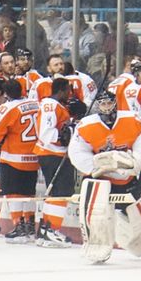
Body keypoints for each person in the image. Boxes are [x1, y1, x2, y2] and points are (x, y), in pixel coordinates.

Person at [68, 86, 141, 263]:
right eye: (103, 103)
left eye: (110, 102)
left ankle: (135, 239)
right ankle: (97, 244)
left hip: (128, 176)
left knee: (140, 215)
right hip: (100, 177)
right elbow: (76, 152)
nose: (107, 107)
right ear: (97, 106)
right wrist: (96, 166)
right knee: (96, 212)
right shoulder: (86, 125)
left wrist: (132, 164)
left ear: (116, 103)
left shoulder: (133, 119)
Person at [0, 79, 42, 242]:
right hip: (34, 157)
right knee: (29, 193)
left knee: (13, 193)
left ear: (6, 93)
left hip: (13, 158)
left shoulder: (7, 108)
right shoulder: (35, 104)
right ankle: (30, 227)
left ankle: (18, 227)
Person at [34, 76, 84, 248]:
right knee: (61, 192)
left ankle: (45, 230)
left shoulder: (58, 106)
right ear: (62, 90)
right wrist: (63, 137)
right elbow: (45, 134)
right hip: (52, 154)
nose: (69, 94)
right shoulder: (50, 105)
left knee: (55, 192)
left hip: (54, 154)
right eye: (68, 91)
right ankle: (51, 230)